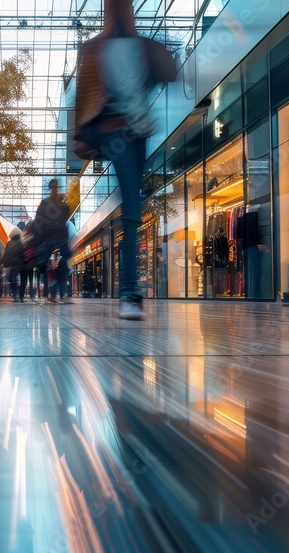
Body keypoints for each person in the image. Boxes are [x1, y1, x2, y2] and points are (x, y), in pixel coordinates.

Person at [74, 0, 174, 319]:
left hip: (139, 134)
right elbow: (83, 96)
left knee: (134, 209)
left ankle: (130, 293)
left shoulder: (142, 47)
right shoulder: (93, 49)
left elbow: (168, 72)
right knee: (132, 210)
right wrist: (87, 125)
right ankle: (130, 292)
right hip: (115, 134)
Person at [29, 179, 71, 303]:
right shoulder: (56, 204)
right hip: (54, 238)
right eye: (53, 186)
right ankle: (54, 292)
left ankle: (56, 292)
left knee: (57, 265)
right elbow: (39, 221)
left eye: (55, 186)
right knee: (50, 266)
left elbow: (38, 221)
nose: (54, 189)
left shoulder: (57, 204)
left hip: (54, 237)